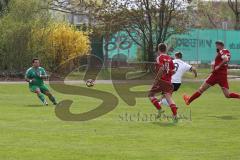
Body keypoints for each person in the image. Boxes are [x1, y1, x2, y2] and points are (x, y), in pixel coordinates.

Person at [183, 40, 240, 105]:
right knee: (227, 95)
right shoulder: (227, 51)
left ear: (220, 45)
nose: (216, 47)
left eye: (217, 45)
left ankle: (188, 101)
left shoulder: (222, 51)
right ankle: (188, 100)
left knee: (201, 89)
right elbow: (226, 59)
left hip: (216, 75)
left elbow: (225, 59)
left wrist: (218, 65)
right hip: (222, 75)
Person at [148, 43, 178, 121]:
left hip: (161, 80)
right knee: (169, 98)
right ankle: (175, 116)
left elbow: (161, 69)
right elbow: (174, 71)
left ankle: (160, 110)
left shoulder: (159, 57)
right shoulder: (170, 58)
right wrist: (169, 73)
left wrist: (156, 80)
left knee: (150, 95)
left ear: (158, 49)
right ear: (165, 49)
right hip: (168, 82)